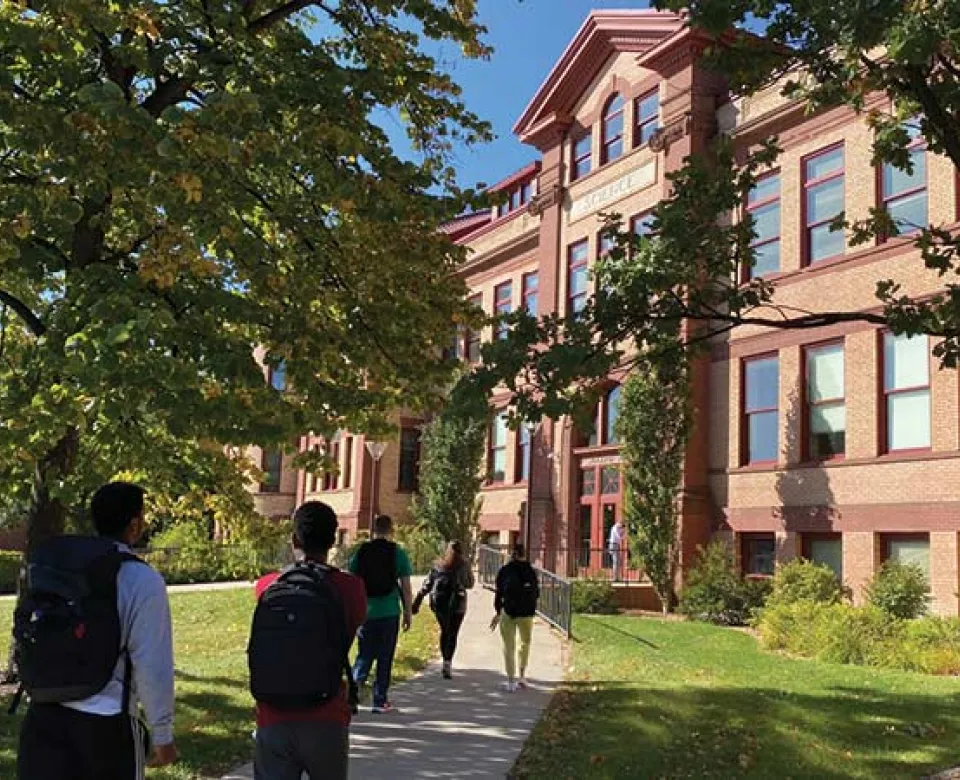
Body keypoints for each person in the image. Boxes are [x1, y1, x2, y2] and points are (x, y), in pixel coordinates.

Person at [17, 481, 177, 780]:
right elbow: (152, 664)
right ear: (134, 524)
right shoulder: (139, 578)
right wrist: (162, 734)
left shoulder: (59, 569)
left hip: (42, 718)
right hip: (107, 724)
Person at [249, 501, 366, 780]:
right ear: (332, 541)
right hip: (326, 714)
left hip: (272, 714)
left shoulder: (266, 587)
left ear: (294, 539)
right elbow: (349, 630)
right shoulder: (351, 589)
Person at [349, 514, 413, 714]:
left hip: (366, 612)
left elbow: (352, 580)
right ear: (391, 530)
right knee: (385, 657)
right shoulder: (397, 553)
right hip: (389, 611)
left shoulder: (362, 552)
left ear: (373, 530)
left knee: (364, 655)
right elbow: (406, 586)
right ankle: (379, 700)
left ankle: (352, 694)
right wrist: (408, 613)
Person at [412, 541, 475, 679]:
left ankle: (444, 658)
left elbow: (427, 585)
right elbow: (470, 584)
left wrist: (417, 602)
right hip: (458, 604)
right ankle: (447, 663)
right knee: (453, 633)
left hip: (439, 604)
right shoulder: (463, 565)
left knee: (444, 631)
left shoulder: (438, 565)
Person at [490, 544, 539, 692]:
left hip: (509, 612)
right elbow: (536, 593)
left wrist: (498, 611)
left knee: (508, 646)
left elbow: (499, 593)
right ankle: (522, 676)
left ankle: (511, 681)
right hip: (526, 613)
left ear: (513, 554)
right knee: (524, 643)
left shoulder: (505, 571)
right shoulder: (530, 571)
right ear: (524, 555)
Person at [608, 517, 627, 582]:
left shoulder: (620, 528)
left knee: (618, 561)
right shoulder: (615, 527)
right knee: (615, 561)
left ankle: (618, 577)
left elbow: (623, 534)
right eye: (622, 524)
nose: (622, 526)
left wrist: (624, 532)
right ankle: (615, 577)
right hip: (613, 544)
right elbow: (618, 536)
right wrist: (623, 536)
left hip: (617, 544)